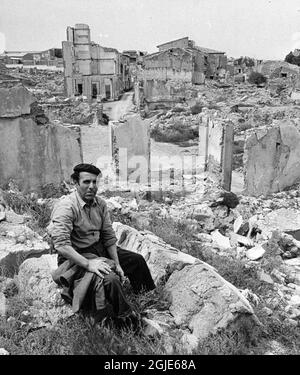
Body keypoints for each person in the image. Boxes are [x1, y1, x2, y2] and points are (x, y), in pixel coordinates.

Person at [48, 163, 155, 326]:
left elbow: (108, 236)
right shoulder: (66, 207)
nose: (91, 186)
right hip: (76, 256)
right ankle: (126, 320)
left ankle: (147, 300)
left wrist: (118, 263)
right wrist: (88, 264)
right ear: (76, 184)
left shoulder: (100, 204)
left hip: (99, 249)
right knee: (110, 279)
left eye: (94, 182)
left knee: (136, 261)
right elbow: (61, 245)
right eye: (86, 182)